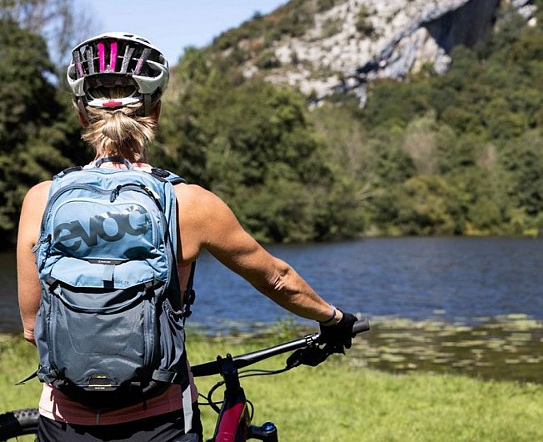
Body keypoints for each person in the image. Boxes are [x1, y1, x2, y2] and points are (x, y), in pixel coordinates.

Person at [16, 32, 357, 441]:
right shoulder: (189, 204)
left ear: (80, 115)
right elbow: (277, 278)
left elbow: (33, 328)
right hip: (158, 419)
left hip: (63, 420)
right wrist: (333, 318)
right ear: (155, 111)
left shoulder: (41, 200)